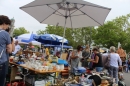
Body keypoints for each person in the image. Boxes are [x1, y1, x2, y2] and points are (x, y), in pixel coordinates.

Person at [0, 15, 12, 86]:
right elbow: (10, 49)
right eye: (7, 25)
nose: (7, 27)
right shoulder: (5, 33)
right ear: (4, 23)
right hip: (1, 62)